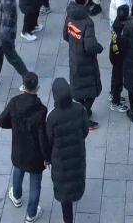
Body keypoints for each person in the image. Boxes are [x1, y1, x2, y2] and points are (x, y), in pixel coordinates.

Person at [0, 71, 50, 223]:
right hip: (35, 155)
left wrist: (15, 126)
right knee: (35, 185)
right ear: (37, 88)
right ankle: (31, 214)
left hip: (19, 148)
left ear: (23, 87)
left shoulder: (14, 102)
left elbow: (1, 121)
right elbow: (42, 137)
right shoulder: (41, 110)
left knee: (18, 169)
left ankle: (16, 196)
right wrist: (47, 157)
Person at [46, 77, 89, 223]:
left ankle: (68, 219)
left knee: (64, 189)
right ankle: (75, 195)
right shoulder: (80, 109)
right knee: (76, 177)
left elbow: (49, 139)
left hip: (60, 159)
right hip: (77, 153)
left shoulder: (52, 116)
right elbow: (85, 130)